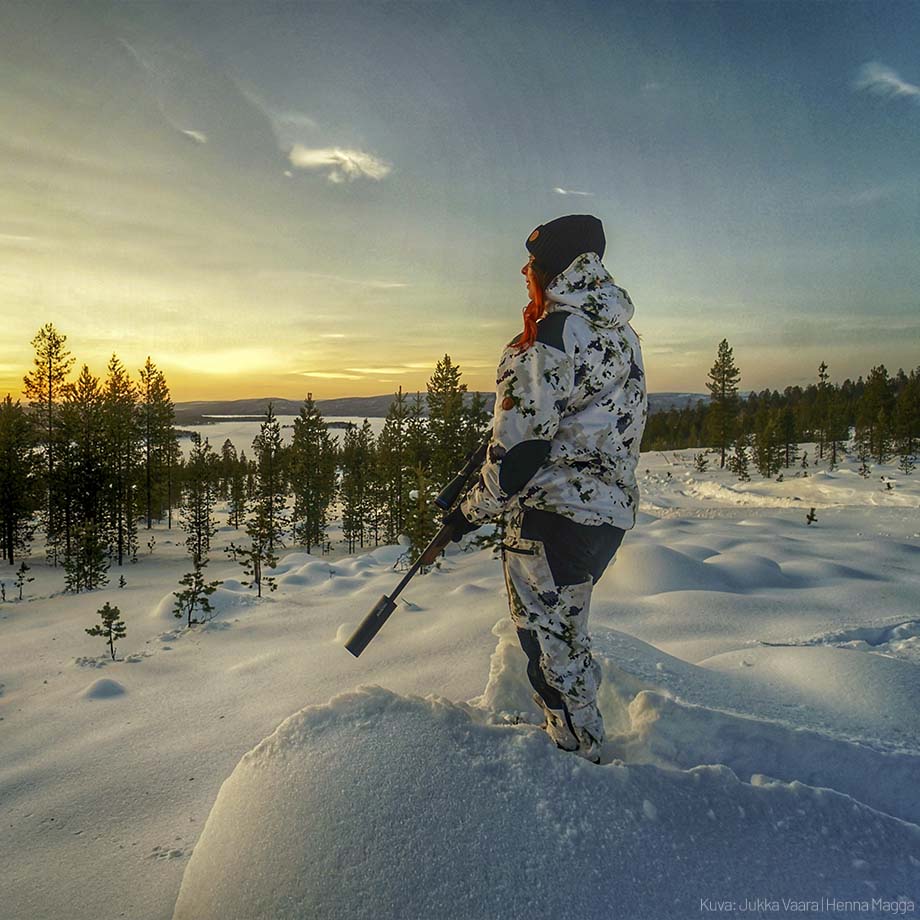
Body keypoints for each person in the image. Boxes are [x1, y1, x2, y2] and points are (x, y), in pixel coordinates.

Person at [442, 214, 648, 763]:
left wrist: (469, 510)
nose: (525, 273)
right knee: (567, 640)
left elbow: (521, 454)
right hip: (605, 517)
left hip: (552, 520)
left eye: (532, 263)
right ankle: (578, 739)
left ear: (553, 267)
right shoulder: (620, 333)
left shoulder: (548, 338)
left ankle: (578, 759)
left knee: (552, 648)